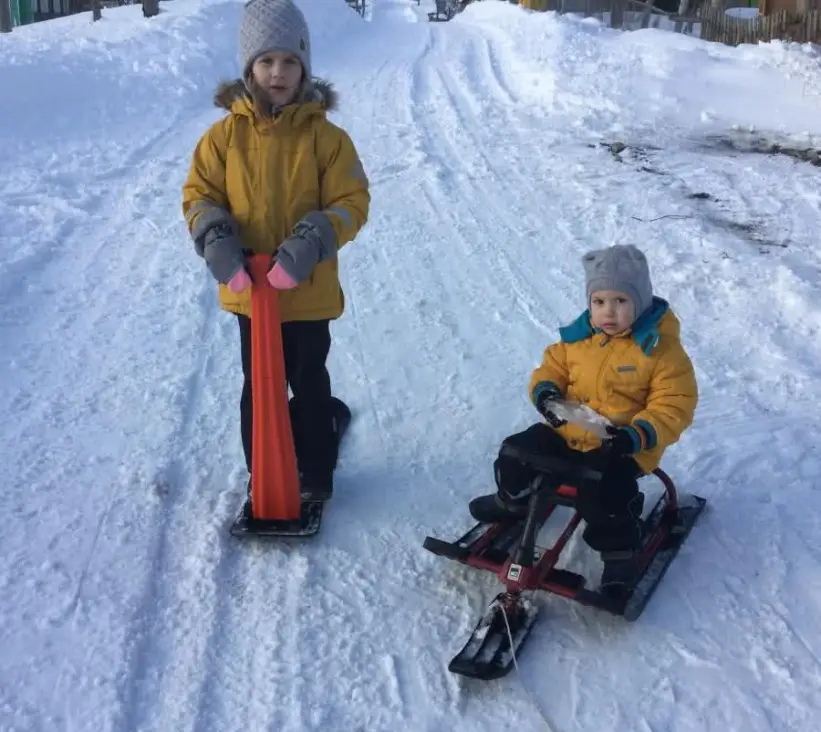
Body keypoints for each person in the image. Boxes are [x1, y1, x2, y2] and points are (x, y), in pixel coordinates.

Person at [181, 0, 370, 510]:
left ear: (305, 66)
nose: (278, 73)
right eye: (266, 62)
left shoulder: (327, 139)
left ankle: (314, 470)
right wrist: (218, 241)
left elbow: (352, 202)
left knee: (308, 379)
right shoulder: (221, 139)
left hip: (306, 292)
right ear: (248, 69)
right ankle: (262, 466)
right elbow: (200, 195)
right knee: (259, 383)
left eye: (289, 62)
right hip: (249, 293)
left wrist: (310, 243)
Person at [469, 244, 698, 594]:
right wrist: (546, 393)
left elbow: (674, 404)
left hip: (621, 445)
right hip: (567, 433)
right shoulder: (580, 339)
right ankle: (511, 500)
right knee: (516, 451)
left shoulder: (660, 351)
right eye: (599, 301)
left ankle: (619, 550)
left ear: (641, 301)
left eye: (621, 301)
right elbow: (551, 368)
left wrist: (636, 435)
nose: (609, 312)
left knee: (603, 490)